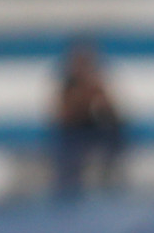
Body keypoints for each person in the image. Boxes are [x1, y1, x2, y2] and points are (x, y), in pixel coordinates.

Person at [52, 38, 124, 201]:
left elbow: (113, 113)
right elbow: (62, 117)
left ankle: (109, 180)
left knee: (114, 134)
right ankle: (68, 187)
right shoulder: (67, 85)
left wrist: (99, 98)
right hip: (72, 132)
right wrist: (83, 100)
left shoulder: (96, 84)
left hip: (93, 129)